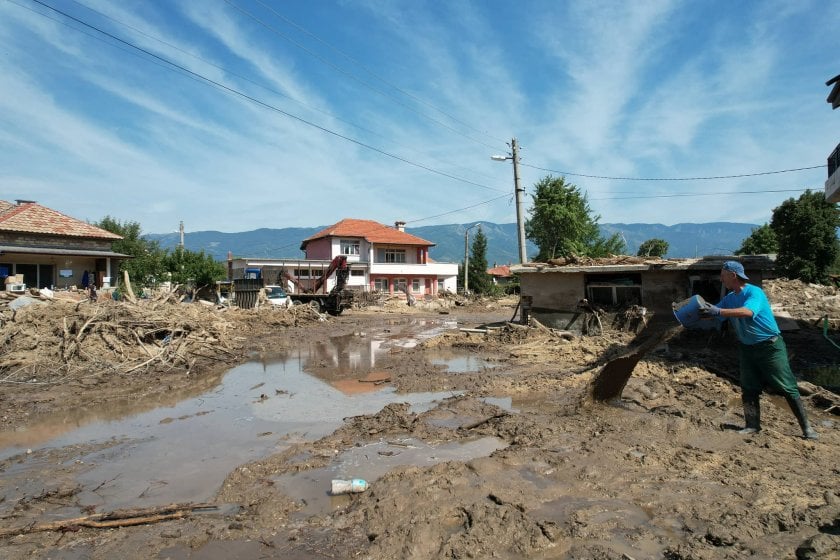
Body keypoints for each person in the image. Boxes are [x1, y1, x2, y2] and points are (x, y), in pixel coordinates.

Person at [700, 261, 818, 439]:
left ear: (733, 275)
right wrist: (698, 312)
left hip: (769, 347)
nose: (721, 279)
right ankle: (752, 425)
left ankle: (807, 428)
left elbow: (747, 312)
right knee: (748, 387)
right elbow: (717, 314)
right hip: (747, 348)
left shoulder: (754, 292)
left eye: (723, 275)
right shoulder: (730, 298)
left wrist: (718, 311)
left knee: (787, 386)